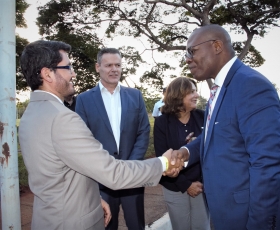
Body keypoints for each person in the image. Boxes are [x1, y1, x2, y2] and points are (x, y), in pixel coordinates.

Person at [18, 40, 183, 230]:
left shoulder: (32, 113)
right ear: (47, 73)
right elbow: (112, 173)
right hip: (73, 222)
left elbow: (62, 172)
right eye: (68, 67)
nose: (73, 73)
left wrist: (93, 199)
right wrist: (164, 163)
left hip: (52, 216)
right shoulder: (63, 117)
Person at [173, 24, 280, 229]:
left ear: (217, 46)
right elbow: (215, 138)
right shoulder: (219, 90)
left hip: (246, 216)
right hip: (223, 211)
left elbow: (267, 164)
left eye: (192, 51)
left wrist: (261, 225)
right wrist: (185, 153)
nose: (187, 58)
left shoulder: (250, 86)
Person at [75, 48, 149, 230]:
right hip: (102, 180)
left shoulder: (135, 96)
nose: (114, 69)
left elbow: (143, 131)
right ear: (98, 67)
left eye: (118, 65)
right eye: (108, 65)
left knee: (136, 225)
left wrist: (130, 166)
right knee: (106, 226)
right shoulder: (83, 100)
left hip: (133, 176)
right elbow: (82, 139)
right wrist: (105, 168)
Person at [154, 77, 210, 230]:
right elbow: (162, 159)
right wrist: (186, 185)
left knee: (202, 227)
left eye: (196, 91)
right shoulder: (162, 123)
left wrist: (197, 184)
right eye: (191, 92)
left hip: (201, 186)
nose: (196, 95)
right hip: (174, 186)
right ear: (178, 95)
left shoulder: (204, 117)